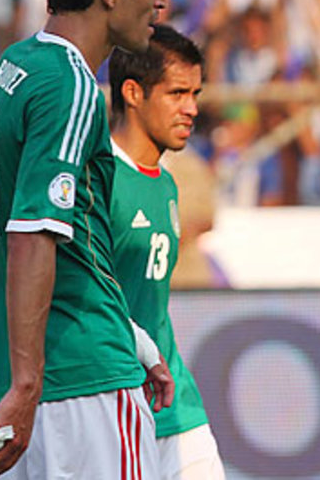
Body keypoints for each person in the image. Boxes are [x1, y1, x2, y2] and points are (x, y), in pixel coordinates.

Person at [0, 0, 174, 478]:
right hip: (78, 383)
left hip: (19, 377)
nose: (161, 3)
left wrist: (137, 338)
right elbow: (34, 234)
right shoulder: (73, 87)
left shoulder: (14, 67)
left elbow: (70, 246)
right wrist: (27, 380)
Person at [108, 25, 225, 479]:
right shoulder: (98, 181)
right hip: (113, 403)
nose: (192, 108)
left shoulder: (168, 183)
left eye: (195, 93)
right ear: (134, 92)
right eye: (177, 93)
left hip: (176, 405)